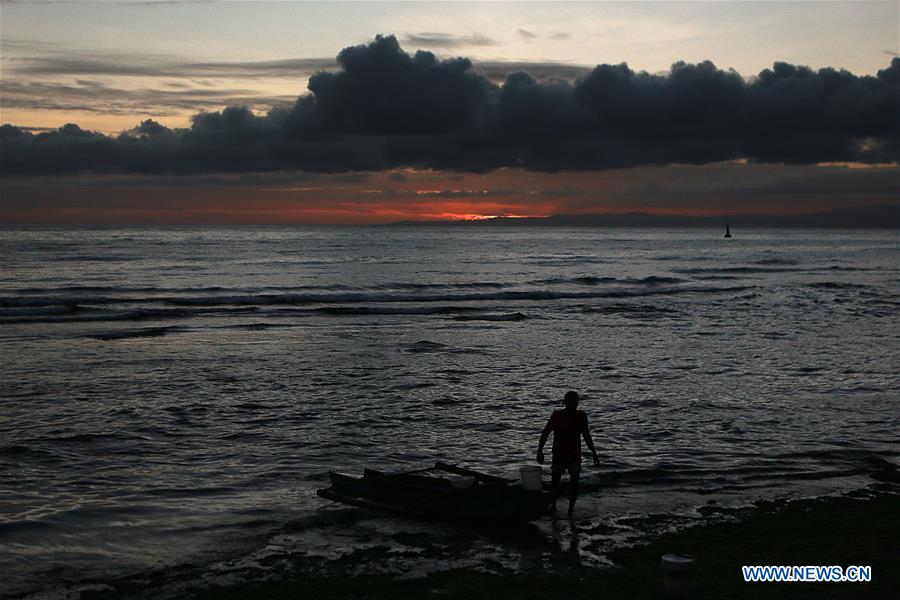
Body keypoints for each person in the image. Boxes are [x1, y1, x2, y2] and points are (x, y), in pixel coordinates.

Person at [536, 391, 599, 516]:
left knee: (567, 483)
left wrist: (593, 452)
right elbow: (546, 433)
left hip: (570, 454)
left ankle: (566, 509)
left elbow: (586, 435)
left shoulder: (578, 416)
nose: (572, 404)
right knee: (561, 482)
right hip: (562, 454)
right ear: (566, 402)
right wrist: (540, 450)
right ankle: (559, 507)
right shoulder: (560, 415)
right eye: (571, 402)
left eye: (573, 402)